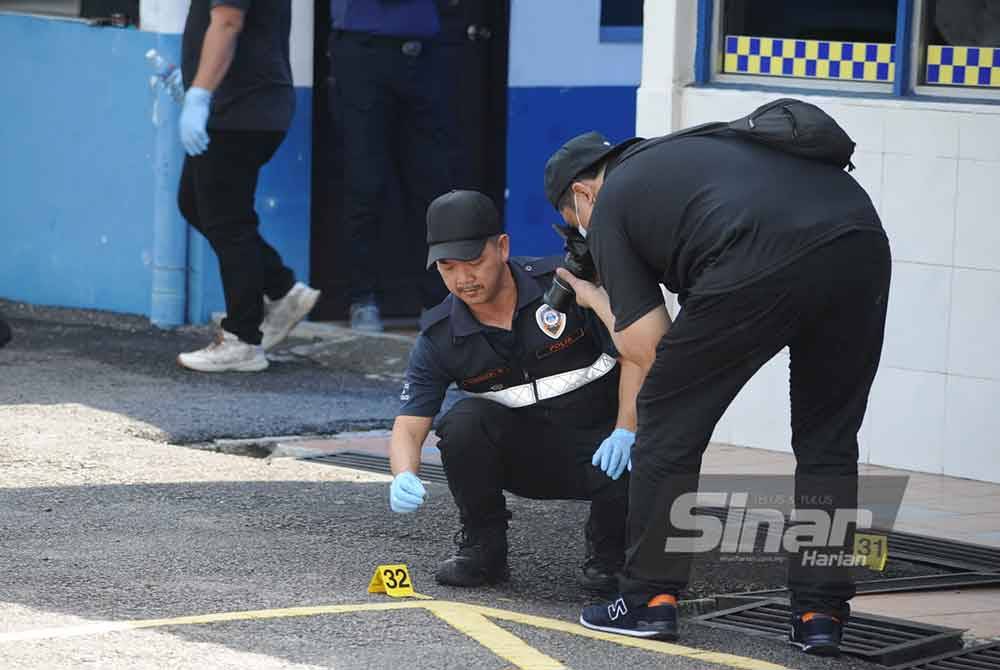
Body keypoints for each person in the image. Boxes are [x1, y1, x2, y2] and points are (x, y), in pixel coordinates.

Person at [544, 128, 890, 655]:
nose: (583, 238)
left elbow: (650, 348)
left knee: (664, 410)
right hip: (859, 241)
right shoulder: (691, 154)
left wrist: (593, 295)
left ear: (584, 194)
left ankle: (647, 599)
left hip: (755, 254)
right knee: (829, 439)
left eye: (576, 224)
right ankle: (821, 613)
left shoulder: (612, 203)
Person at [388, 189, 644, 592]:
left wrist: (626, 430)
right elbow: (409, 425)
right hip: (527, 461)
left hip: (605, 449)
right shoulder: (440, 336)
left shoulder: (565, 285)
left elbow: (637, 353)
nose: (463, 279)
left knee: (648, 432)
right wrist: (404, 474)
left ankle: (610, 554)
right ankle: (483, 548)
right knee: (463, 423)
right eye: (447, 267)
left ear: (502, 247)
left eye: (473, 262)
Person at [176, 0, 320, 373]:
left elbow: (226, 22)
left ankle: (242, 339)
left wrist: (200, 92)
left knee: (228, 221)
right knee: (193, 202)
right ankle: (281, 288)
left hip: (238, 109)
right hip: (246, 106)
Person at [329, 0, 453, 332]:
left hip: (425, 52)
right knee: (365, 182)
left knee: (431, 184)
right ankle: (362, 298)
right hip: (362, 50)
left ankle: (436, 301)